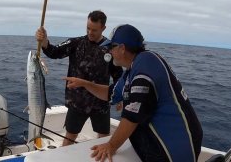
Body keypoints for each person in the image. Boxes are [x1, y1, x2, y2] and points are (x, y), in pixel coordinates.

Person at [64, 24, 203, 162]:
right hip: (172, 141)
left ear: (122, 48)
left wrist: (111, 146)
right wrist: (85, 84)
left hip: (173, 149)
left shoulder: (143, 72)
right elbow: (110, 93)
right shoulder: (138, 64)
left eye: (111, 47)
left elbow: (132, 118)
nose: (109, 52)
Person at [35, 10, 123, 146]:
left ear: (103, 28)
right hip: (77, 102)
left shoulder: (110, 48)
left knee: (104, 137)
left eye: (94, 30)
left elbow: (118, 75)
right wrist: (45, 41)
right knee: (70, 137)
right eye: (88, 28)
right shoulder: (75, 43)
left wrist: (119, 97)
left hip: (101, 103)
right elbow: (54, 52)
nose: (90, 32)